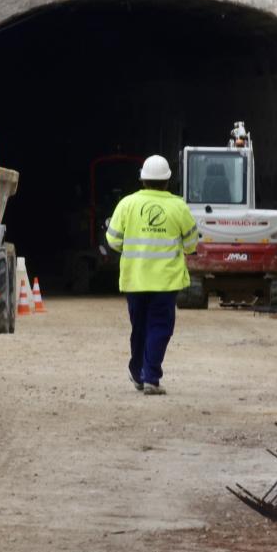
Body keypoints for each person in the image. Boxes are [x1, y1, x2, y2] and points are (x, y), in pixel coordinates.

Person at [105, 155, 199, 395]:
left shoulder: (127, 204)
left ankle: (138, 372)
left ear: (142, 179)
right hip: (166, 283)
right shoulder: (178, 206)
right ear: (168, 181)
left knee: (139, 327)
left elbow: (113, 241)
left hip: (135, 280)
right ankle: (150, 377)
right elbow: (191, 243)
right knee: (159, 327)